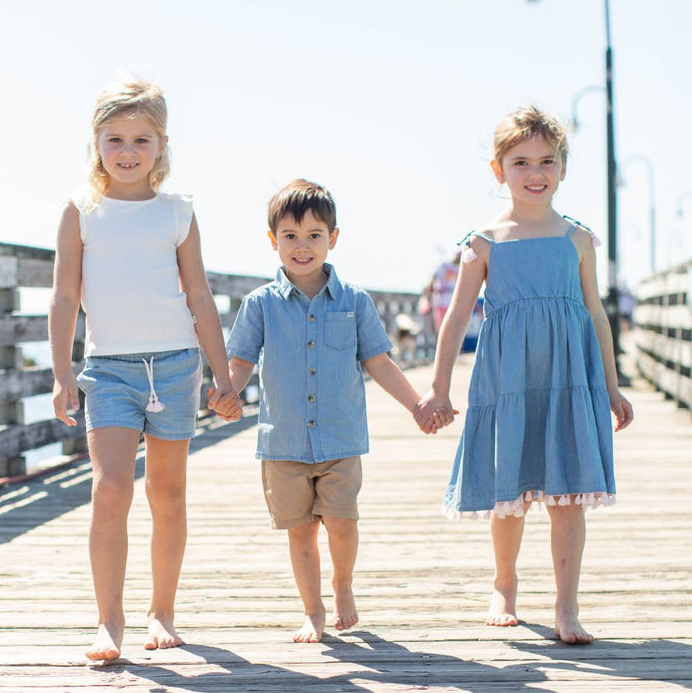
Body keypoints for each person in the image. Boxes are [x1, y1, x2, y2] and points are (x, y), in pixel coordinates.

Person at [415, 106, 634, 644]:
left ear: (561, 167)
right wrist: (439, 387)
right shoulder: (484, 242)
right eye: (520, 162)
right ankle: (504, 584)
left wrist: (610, 383)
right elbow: (456, 318)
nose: (535, 173)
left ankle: (566, 606)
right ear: (498, 170)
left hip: (568, 382)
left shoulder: (577, 240)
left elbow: (596, 314)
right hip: (507, 383)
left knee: (567, 497)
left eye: (547, 161)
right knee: (509, 494)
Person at [49, 77, 241, 662]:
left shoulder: (177, 212)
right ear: (96, 143)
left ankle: (163, 610)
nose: (127, 151)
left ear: (162, 145)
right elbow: (63, 298)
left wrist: (222, 375)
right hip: (108, 369)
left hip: (177, 367)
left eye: (141, 139)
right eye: (115, 139)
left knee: (168, 493)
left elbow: (201, 298)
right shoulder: (81, 211)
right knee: (109, 490)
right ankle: (110, 619)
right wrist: (61, 374)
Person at [208, 179, 428, 643]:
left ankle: (342, 584)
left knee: (343, 522)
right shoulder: (260, 304)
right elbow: (241, 360)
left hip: (340, 438)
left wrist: (416, 405)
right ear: (273, 242)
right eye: (290, 236)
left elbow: (379, 361)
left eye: (314, 235)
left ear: (334, 238)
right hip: (283, 441)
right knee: (300, 533)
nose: (302, 246)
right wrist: (227, 392)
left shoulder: (355, 301)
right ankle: (313, 611)